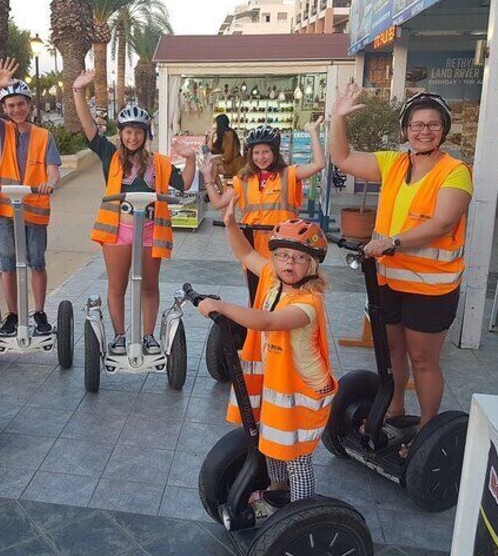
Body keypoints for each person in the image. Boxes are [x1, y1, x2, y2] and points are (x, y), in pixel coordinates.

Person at [329, 83, 473, 449]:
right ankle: (393, 410)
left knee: (423, 360)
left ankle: (427, 431)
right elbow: (342, 157)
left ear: (444, 129)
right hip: (388, 281)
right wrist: (338, 118)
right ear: (406, 129)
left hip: (431, 288)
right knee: (391, 351)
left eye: (433, 124)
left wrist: (392, 243)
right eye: (417, 124)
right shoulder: (394, 163)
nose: (424, 131)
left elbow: (441, 223)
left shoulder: (455, 172)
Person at [196, 199, 337, 511]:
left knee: (296, 456)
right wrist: (231, 224)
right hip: (280, 388)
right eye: (283, 255)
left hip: (303, 393)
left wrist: (220, 306)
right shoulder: (273, 278)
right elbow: (246, 253)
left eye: (300, 258)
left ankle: (301, 511)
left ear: (312, 266)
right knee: (271, 442)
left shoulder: (307, 304)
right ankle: (276, 489)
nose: (289, 262)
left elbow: (268, 322)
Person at [73, 69, 197, 355]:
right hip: (118, 230)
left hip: (150, 231)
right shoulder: (111, 156)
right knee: (117, 286)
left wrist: (190, 159)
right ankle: (119, 336)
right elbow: (90, 130)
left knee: (149, 286)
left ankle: (150, 336)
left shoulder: (159, 163)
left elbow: (183, 183)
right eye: (127, 132)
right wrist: (78, 91)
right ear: (121, 133)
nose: (132, 137)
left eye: (137, 132)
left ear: (145, 134)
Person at [0, 58, 62, 337]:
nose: (16, 109)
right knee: (8, 262)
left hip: (35, 209)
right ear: (4, 109)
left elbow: (53, 169)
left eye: (21, 104)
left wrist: (49, 183)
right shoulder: (1, 131)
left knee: (36, 261)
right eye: (11, 105)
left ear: (30, 106)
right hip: (6, 209)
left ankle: (39, 312)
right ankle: (13, 314)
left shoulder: (44, 135)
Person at [203, 118, 326, 259]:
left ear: (274, 153)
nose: (261, 157)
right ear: (250, 155)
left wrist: (313, 133)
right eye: (256, 153)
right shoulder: (242, 180)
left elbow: (319, 164)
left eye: (266, 152)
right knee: (253, 282)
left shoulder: (289, 174)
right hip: (251, 249)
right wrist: (207, 178)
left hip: (283, 249)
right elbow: (218, 203)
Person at [206, 114, 244, 179]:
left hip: (234, 163)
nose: (216, 126)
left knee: (212, 164)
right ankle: (215, 186)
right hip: (229, 162)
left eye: (216, 123)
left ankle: (211, 184)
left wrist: (217, 158)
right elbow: (210, 149)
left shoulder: (229, 134)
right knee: (211, 165)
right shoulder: (222, 134)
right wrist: (211, 136)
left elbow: (228, 155)